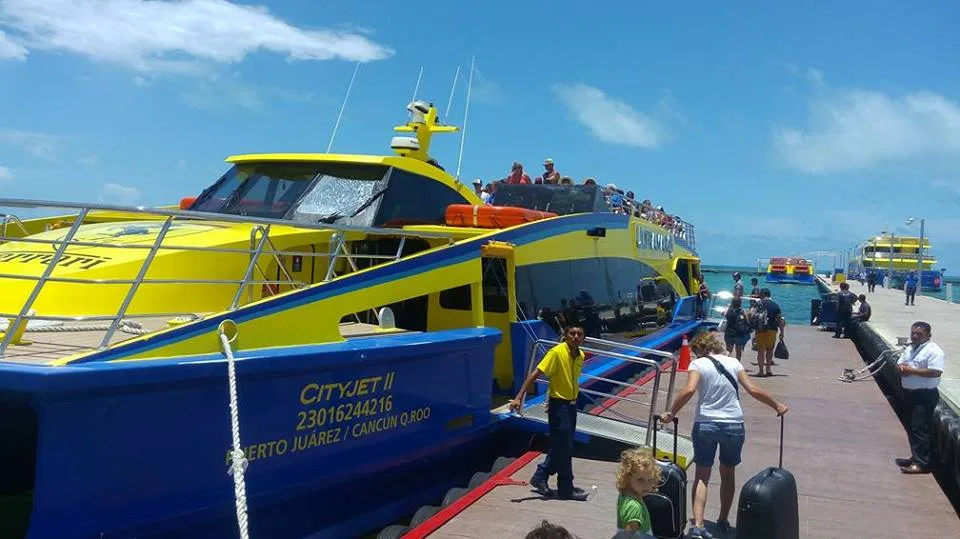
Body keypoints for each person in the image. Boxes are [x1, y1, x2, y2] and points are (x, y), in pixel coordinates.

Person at [660, 332, 788, 539]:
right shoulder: (734, 362)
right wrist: (777, 405)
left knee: (702, 475)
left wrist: (671, 412)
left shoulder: (698, 364)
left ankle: (698, 526)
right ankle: (722, 520)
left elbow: (689, 390)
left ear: (699, 350)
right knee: (728, 474)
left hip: (706, 424)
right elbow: (752, 389)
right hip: (733, 425)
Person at [511, 325, 590, 500]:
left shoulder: (581, 355)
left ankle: (541, 475)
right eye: (572, 333)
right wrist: (519, 396)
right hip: (558, 405)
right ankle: (565, 488)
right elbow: (536, 373)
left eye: (579, 334)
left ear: (583, 337)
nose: (576, 337)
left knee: (563, 444)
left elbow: (568, 380)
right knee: (565, 446)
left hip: (571, 405)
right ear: (566, 335)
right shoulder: (555, 352)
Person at [896, 321, 944, 474]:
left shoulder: (934, 351)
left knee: (920, 428)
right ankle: (915, 456)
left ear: (928, 335)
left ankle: (922, 463)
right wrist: (901, 368)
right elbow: (901, 362)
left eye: (919, 334)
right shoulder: (910, 348)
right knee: (910, 426)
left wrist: (912, 371)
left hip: (924, 395)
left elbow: (936, 371)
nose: (915, 336)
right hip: (909, 393)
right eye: (913, 333)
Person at [615, 449, 659, 536]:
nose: (646, 485)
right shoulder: (635, 507)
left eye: (650, 480)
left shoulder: (624, 495)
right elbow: (627, 535)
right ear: (627, 478)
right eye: (640, 480)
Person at [749, 288, 784, 376]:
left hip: (760, 330)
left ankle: (761, 371)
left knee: (761, 351)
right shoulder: (775, 305)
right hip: (772, 330)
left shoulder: (758, 304)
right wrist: (782, 331)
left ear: (762, 295)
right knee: (769, 350)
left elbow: (750, 314)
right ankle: (768, 369)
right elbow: (779, 320)